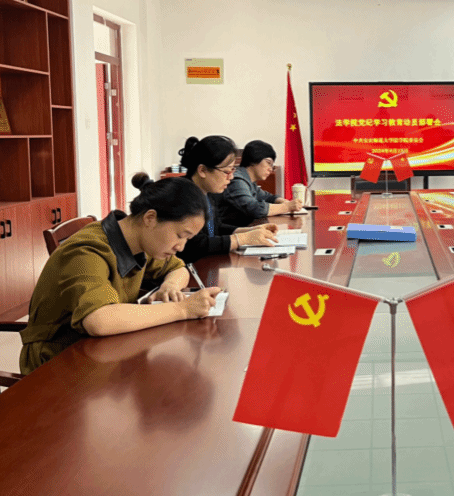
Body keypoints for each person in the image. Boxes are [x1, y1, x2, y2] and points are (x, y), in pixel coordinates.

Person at [19, 176, 222, 374]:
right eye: (180, 236)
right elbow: (99, 321)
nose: (181, 247)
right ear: (150, 218)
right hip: (57, 363)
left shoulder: (139, 242)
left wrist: (170, 286)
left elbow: (178, 269)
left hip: (104, 352)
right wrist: (183, 309)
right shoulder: (86, 252)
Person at [171, 135, 278, 263]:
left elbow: (216, 228)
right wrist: (242, 239)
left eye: (232, 170)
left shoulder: (207, 191)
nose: (231, 177)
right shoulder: (182, 196)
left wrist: (251, 231)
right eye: (226, 172)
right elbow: (195, 246)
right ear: (203, 170)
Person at [219, 140, 302, 227]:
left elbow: (268, 197)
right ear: (253, 159)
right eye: (268, 163)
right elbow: (254, 209)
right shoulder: (237, 180)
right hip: (231, 233)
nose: (270, 169)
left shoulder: (249, 181)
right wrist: (287, 207)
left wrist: (283, 201)